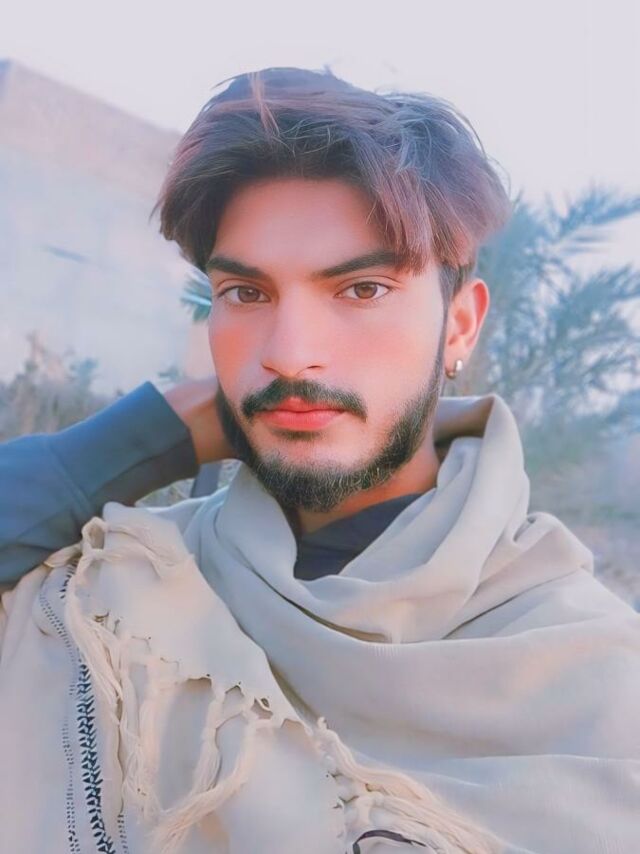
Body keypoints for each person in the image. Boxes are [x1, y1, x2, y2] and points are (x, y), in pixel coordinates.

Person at [1, 66, 639, 854]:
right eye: (246, 294)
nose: (290, 353)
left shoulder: (592, 672)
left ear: (460, 326)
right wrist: (152, 434)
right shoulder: (119, 586)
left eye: (362, 290)